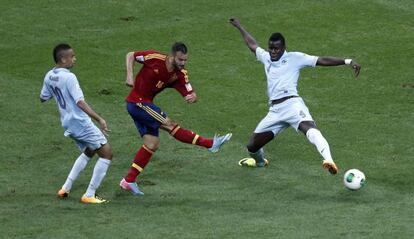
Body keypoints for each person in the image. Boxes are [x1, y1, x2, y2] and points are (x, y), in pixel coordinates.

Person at [229, 18, 361, 174]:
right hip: (275, 111)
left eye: (276, 48)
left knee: (310, 130)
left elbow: (321, 60)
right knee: (252, 146)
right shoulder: (266, 58)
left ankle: (329, 159)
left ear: (284, 47)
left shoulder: (295, 58)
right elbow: (252, 45)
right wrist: (239, 27)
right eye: (271, 48)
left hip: (292, 105)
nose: (273, 51)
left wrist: (347, 61)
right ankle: (260, 162)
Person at [120, 42, 232, 196]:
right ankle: (209, 144)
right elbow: (130, 55)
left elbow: (189, 91)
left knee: (152, 144)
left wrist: (192, 97)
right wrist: (129, 75)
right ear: (172, 56)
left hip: (144, 105)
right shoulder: (154, 58)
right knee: (169, 123)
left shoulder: (180, 74)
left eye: (185, 60)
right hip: (137, 102)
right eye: (180, 60)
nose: (183, 63)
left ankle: (129, 180)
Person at [40, 43, 113, 203]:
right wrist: (99, 119)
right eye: (72, 56)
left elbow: (43, 98)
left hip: (67, 123)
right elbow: (80, 102)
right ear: (63, 59)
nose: (75, 59)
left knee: (90, 150)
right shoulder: (69, 77)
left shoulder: (48, 76)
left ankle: (65, 188)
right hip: (80, 123)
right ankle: (89, 194)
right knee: (106, 153)